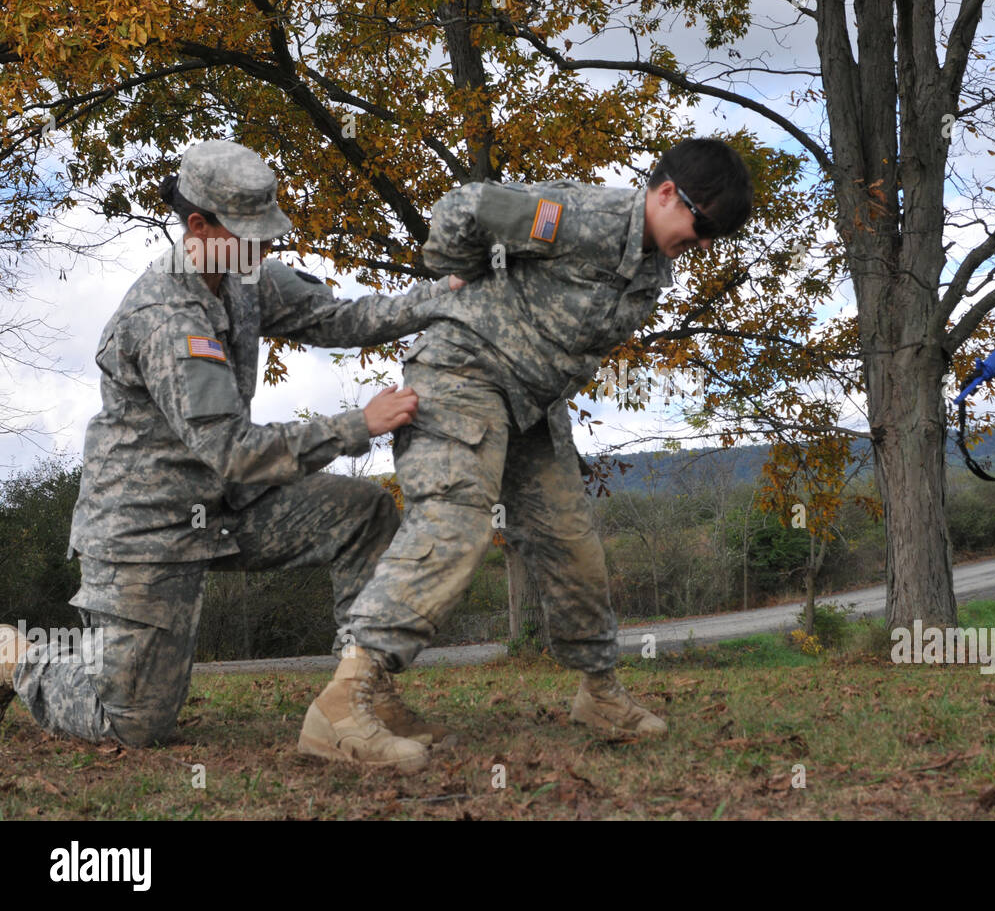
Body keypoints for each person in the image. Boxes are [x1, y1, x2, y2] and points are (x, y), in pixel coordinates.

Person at [297, 139, 754, 770]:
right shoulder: (583, 217)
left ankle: (599, 694)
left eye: (715, 237)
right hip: (462, 373)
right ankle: (342, 705)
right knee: (455, 523)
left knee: (573, 543)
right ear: (667, 192)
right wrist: (455, 270)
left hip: (531, 406)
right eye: (703, 226)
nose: (702, 244)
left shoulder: (651, 266)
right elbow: (467, 207)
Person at [0, 140, 458, 765]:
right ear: (199, 227)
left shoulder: (243, 277)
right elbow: (235, 453)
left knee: (363, 513)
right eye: (251, 234)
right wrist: (359, 424)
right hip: (145, 528)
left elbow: (336, 319)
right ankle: (17, 657)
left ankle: (359, 701)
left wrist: (440, 297)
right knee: (132, 724)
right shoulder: (165, 317)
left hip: (225, 508)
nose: (265, 248)